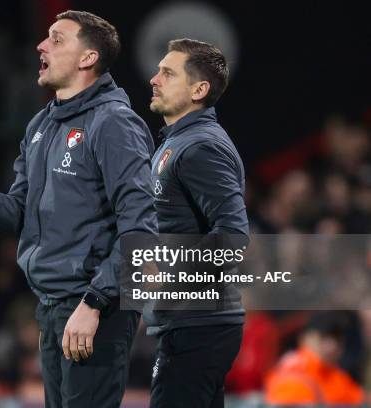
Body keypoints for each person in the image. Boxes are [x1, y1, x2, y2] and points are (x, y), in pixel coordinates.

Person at [0, 10, 158, 407]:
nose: (41, 46)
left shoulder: (113, 124)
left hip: (94, 308)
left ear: (87, 58)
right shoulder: (41, 126)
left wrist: (94, 303)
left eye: (57, 39)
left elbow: (142, 227)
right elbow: (17, 215)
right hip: (53, 308)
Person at [144, 39, 249, 407]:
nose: (154, 79)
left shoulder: (200, 147)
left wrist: (167, 271)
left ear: (199, 89)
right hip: (193, 322)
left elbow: (234, 235)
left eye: (168, 73)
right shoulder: (180, 142)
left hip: (199, 325)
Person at [264, 311, 366, 405]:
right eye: (324, 337)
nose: (332, 346)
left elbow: (359, 399)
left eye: (337, 338)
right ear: (305, 338)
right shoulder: (294, 370)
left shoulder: (335, 375)